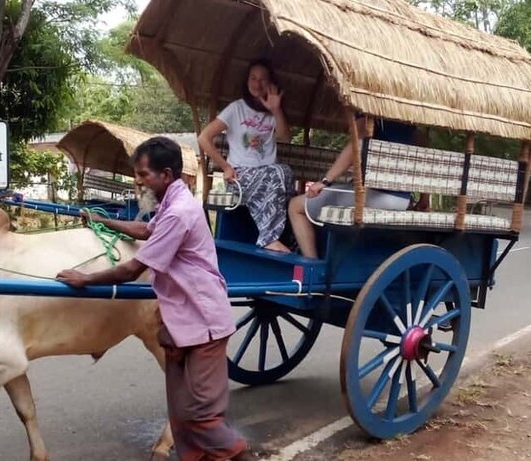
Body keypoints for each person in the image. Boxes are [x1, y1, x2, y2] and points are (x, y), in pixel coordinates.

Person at [57, 137, 255, 461]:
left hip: (203, 322)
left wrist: (86, 279)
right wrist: (102, 220)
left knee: (201, 417)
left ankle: (241, 456)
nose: (137, 180)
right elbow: (145, 230)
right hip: (178, 321)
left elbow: (133, 269)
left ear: (165, 174)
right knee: (179, 415)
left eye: (143, 174)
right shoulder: (170, 202)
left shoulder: (179, 212)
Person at [288, 116, 432, 259]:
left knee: (295, 206)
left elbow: (356, 146)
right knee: (344, 189)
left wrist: (324, 181)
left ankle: (311, 266)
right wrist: (424, 199)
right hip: (403, 201)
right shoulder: (409, 127)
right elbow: (426, 158)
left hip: (375, 197)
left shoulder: (369, 114)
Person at [198, 58, 294, 253]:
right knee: (279, 172)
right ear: (247, 81)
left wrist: (276, 109)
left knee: (285, 173)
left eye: (263, 79)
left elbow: (286, 137)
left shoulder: (272, 111)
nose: (258, 84)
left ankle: (285, 238)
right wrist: (225, 167)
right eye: (253, 78)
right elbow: (204, 138)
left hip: (268, 174)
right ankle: (268, 238)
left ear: (271, 83)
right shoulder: (236, 108)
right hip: (240, 176)